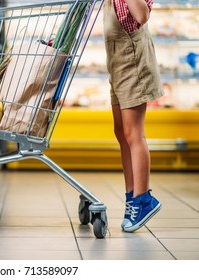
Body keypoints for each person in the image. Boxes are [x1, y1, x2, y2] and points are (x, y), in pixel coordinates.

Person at [103, 0, 163, 232]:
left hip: (134, 66)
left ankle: (144, 199)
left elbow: (142, 15)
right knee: (121, 133)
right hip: (118, 67)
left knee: (133, 134)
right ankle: (132, 197)